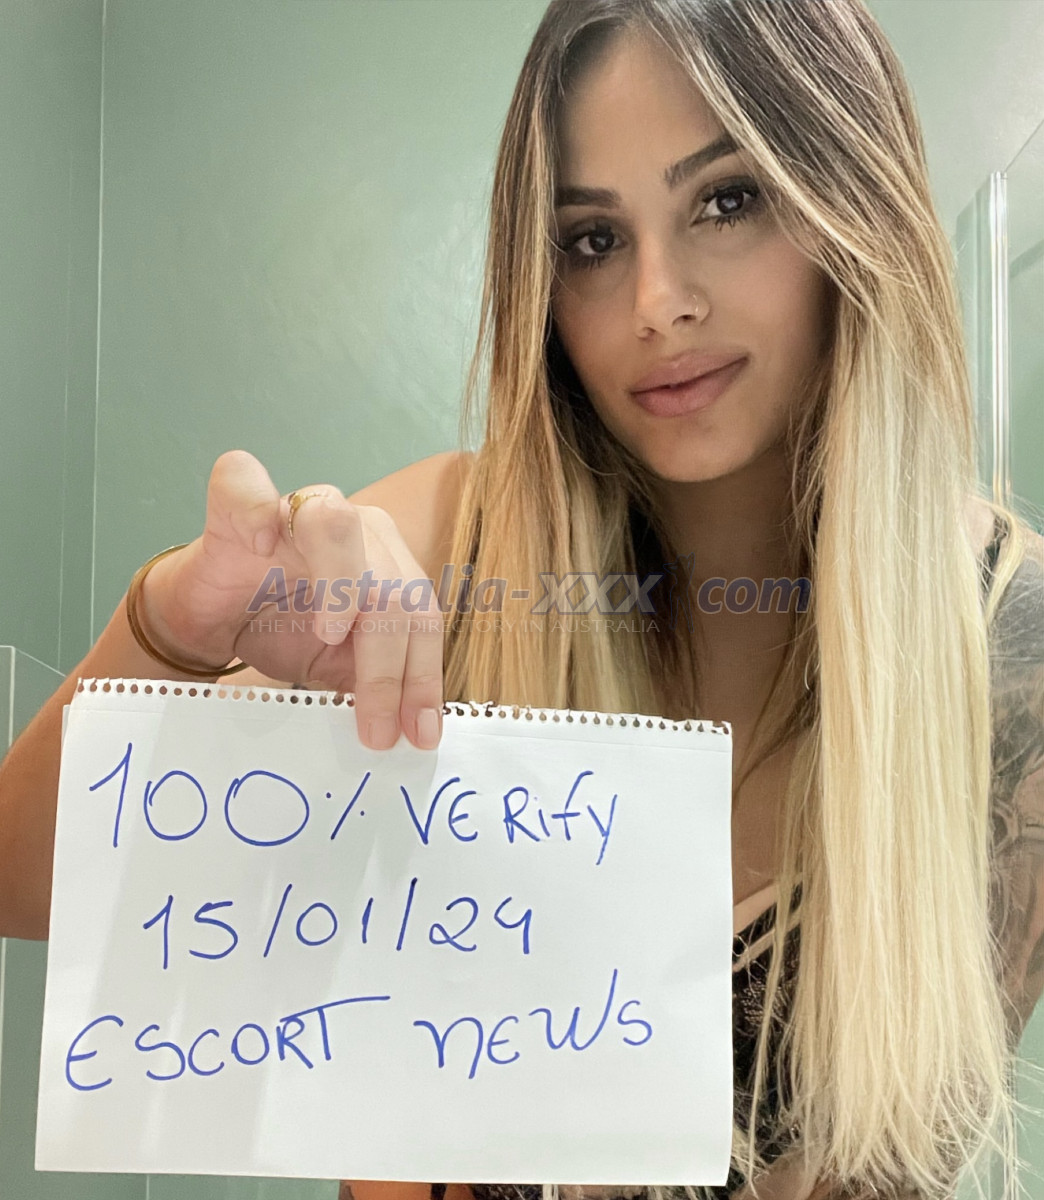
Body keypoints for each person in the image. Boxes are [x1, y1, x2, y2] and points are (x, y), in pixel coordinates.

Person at [0, 0, 1041, 1197]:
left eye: (728, 200)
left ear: (853, 202)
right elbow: (23, 882)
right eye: (592, 239)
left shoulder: (1012, 642)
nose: (658, 300)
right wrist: (180, 625)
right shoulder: (451, 548)